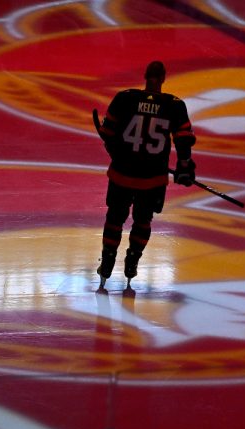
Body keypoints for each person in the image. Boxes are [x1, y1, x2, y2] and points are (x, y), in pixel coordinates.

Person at [96, 60, 196, 293]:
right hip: (153, 179)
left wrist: (115, 147)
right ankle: (132, 261)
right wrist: (184, 166)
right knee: (143, 221)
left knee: (114, 219)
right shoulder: (174, 105)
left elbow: (108, 134)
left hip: (122, 174)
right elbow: (183, 140)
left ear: (145, 76)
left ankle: (107, 260)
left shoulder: (124, 98)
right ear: (163, 78)